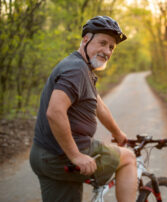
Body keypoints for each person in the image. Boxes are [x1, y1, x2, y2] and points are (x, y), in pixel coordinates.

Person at [29, 16, 137, 202]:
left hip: (43, 156)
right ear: (86, 39)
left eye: (111, 47)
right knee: (128, 158)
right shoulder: (77, 70)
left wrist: (118, 133)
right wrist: (76, 155)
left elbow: (98, 105)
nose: (107, 51)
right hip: (62, 156)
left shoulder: (80, 68)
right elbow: (55, 112)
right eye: (103, 43)